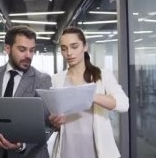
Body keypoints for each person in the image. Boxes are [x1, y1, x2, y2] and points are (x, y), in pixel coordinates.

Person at [48, 27, 129, 158]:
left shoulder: (102, 75)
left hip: (96, 149)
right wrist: (55, 122)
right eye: (64, 48)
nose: (69, 53)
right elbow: (55, 120)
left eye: (74, 46)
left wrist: (89, 95)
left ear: (85, 46)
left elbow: (123, 104)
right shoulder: (56, 79)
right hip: (66, 149)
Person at [0, 25, 52, 158]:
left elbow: (47, 126)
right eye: (22, 50)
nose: (28, 56)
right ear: (7, 48)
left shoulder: (42, 80)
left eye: (32, 50)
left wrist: (21, 145)